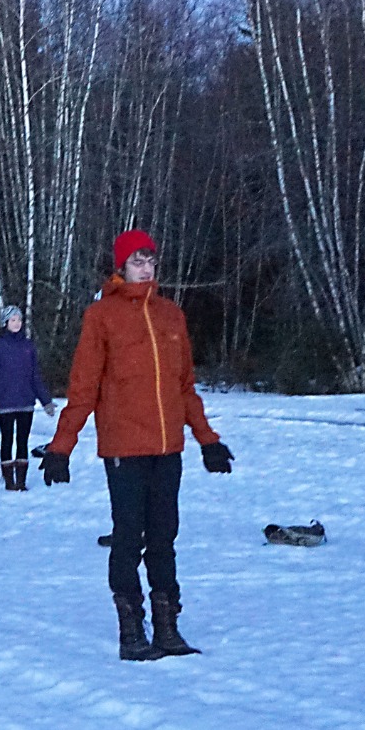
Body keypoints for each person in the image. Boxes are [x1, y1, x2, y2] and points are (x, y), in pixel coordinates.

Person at [40, 230, 233, 660]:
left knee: (164, 538)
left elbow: (185, 388)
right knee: (129, 537)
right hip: (124, 449)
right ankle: (132, 630)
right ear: (121, 267)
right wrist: (61, 447)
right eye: (137, 261)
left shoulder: (171, 316)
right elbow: (83, 387)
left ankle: (168, 628)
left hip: (168, 449)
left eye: (150, 261)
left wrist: (208, 441)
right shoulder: (102, 316)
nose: (145, 268)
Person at [0, 305, 54, 491]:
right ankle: (8, 480)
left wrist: (46, 401)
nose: (17, 323)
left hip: (26, 402)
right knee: (7, 439)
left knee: (23, 441)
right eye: (13, 320)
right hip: (5, 403)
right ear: (5, 323)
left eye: (19, 319)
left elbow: (35, 376)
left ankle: (21, 480)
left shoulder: (28, 346)